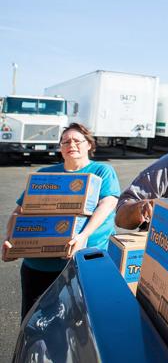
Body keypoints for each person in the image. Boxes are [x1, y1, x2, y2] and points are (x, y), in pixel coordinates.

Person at [2, 123, 121, 321]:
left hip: (82, 264)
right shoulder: (44, 175)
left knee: (80, 326)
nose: (71, 144)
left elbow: (108, 203)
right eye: (65, 141)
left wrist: (83, 236)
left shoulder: (101, 171)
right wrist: (11, 241)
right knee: (34, 324)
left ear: (89, 145)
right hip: (39, 266)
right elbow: (19, 212)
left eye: (77, 140)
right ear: (60, 148)